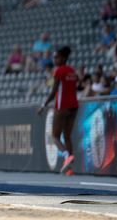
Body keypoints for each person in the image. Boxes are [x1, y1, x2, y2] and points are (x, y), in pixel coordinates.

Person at [37, 46, 79, 175]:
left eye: (56, 57)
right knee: (67, 136)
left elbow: (54, 92)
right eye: (54, 57)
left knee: (55, 136)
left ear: (63, 58)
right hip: (74, 106)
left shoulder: (59, 71)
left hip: (62, 106)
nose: (54, 59)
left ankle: (67, 155)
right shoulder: (72, 70)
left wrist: (43, 105)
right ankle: (69, 169)